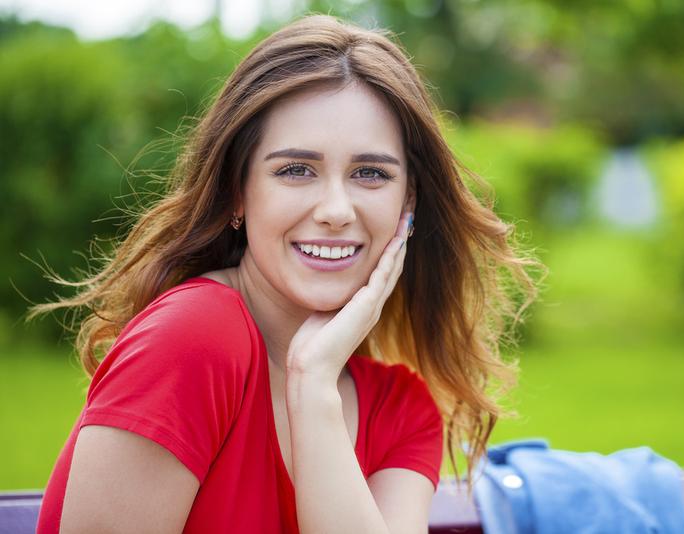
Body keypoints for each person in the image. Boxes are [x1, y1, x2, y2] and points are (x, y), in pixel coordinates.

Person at [32, 13, 538, 533]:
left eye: (370, 173)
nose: (336, 209)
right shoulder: (191, 340)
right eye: (296, 170)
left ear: (407, 203)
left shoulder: (401, 411)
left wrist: (313, 384)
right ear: (236, 190)